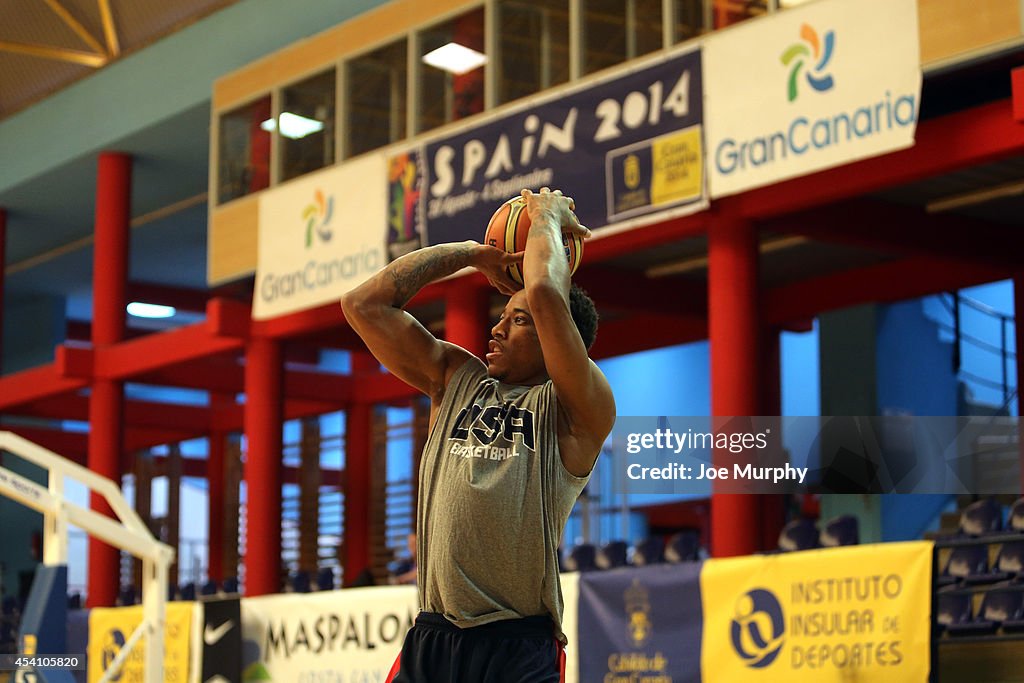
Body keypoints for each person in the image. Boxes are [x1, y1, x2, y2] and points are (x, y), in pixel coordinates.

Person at [342, 188, 616, 683]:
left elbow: (548, 295)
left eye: (518, 322)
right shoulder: (456, 378)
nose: (496, 330)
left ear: (559, 339)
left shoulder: (577, 409)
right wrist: (471, 256)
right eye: (500, 317)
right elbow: (363, 304)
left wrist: (548, 219)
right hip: (432, 637)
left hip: (515, 647)